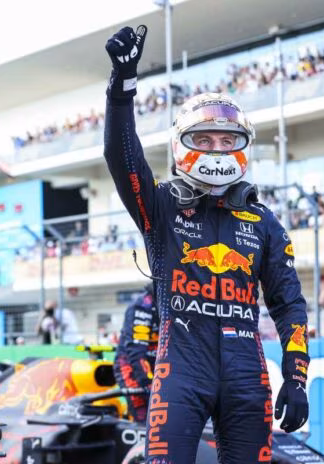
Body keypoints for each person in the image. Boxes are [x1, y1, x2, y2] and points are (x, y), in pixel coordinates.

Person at [104, 25, 310, 462]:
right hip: (180, 371)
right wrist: (122, 88)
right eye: (204, 139)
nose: (216, 149)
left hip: (246, 376)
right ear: (182, 144)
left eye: (226, 140)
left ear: (242, 146)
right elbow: (121, 158)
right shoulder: (161, 205)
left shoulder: (264, 222)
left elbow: (289, 304)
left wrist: (296, 378)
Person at [114, 283, 159, 423]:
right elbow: (136, 351)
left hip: (158, 366)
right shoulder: (142, 305)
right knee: (144, 418)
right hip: (131, 368)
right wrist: (149, 383)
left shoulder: (176, 303)